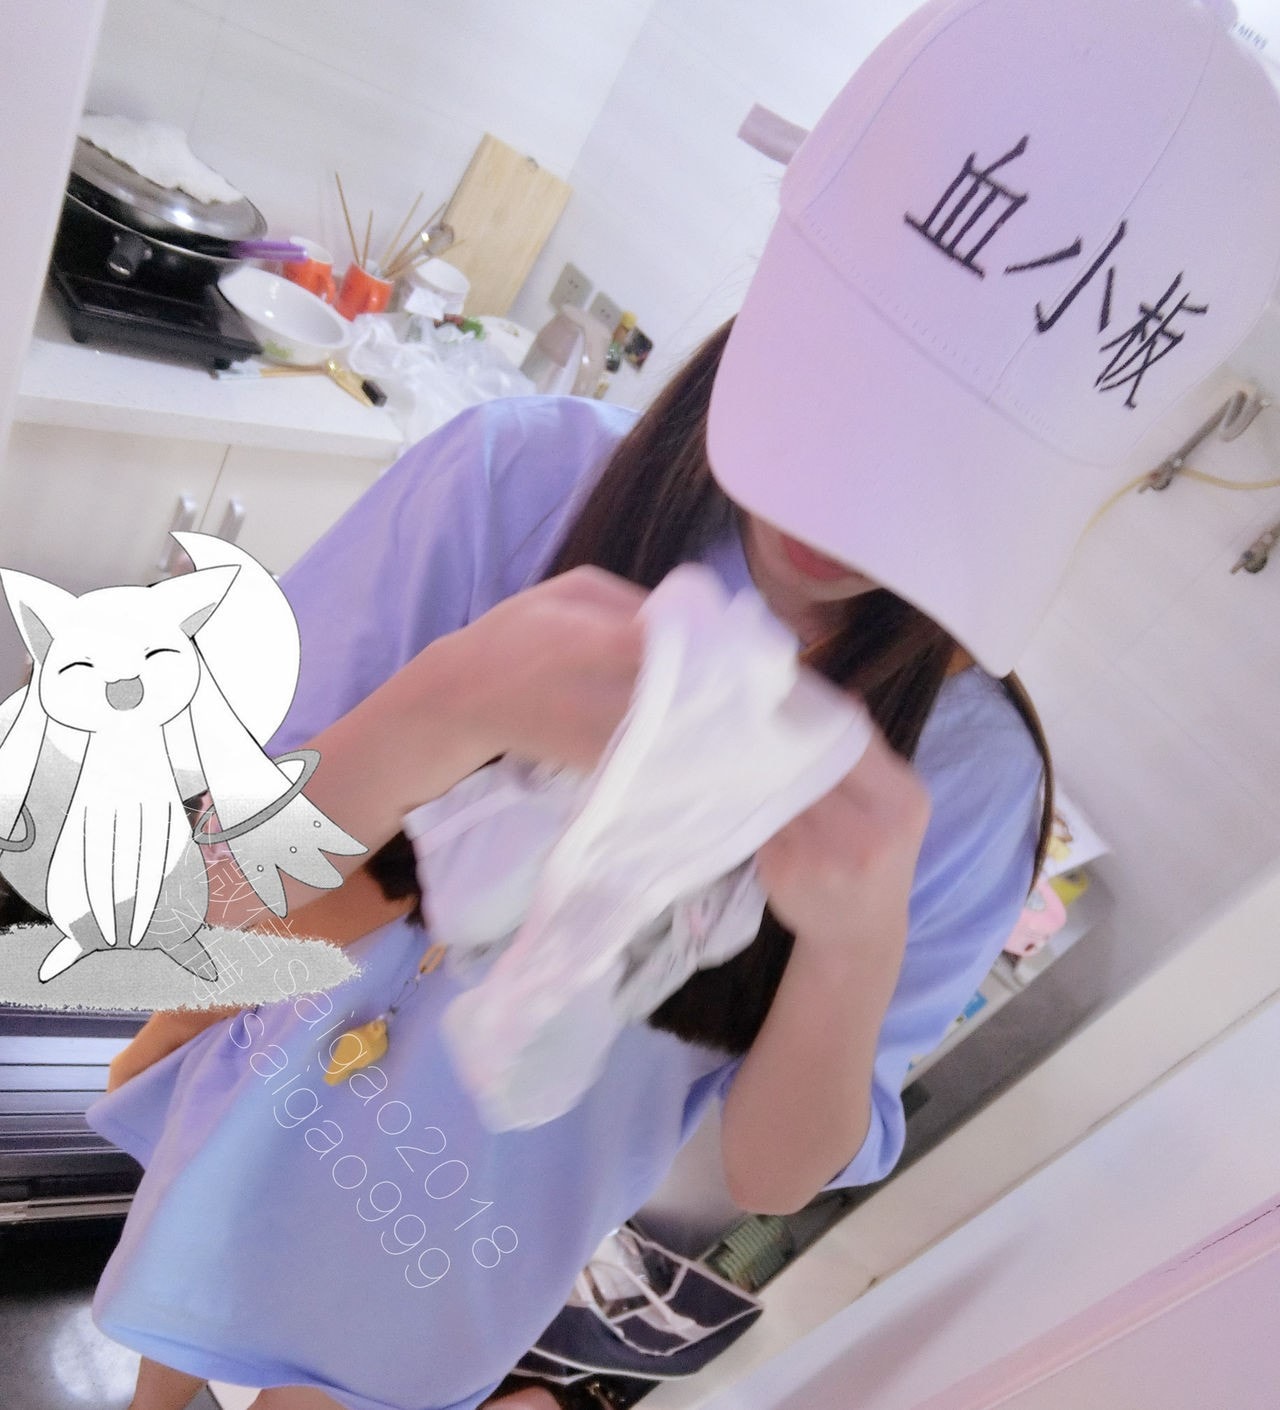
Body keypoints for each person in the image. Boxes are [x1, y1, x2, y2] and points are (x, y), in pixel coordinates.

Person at [83, 1, 1280, 1407]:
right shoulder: (516, 483)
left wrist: (849, 945)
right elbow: (208, 896)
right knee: (173, 1326)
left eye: (946, 466)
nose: (842, 515)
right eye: (848, 388)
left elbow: (774, 1171)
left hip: (451, 1254)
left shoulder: (967, 789)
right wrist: (450, 702)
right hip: (255, 1097)